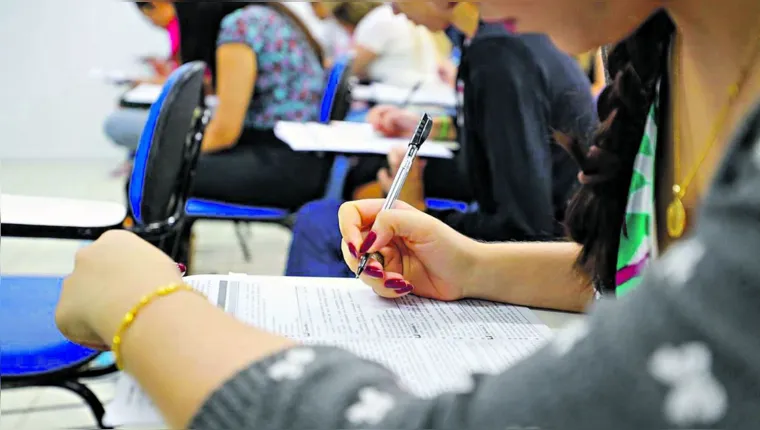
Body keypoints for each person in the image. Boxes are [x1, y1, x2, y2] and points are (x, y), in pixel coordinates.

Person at [56, 0, 760, 427]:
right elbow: (648, 278)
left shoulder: (514, 52)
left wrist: (144, 306)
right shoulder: (659, 55)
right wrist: (473, 263)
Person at [284, 1, 596, 276]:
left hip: (551, 255)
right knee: (356, 192)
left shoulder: (498, 55)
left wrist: (419, 213)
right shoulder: (499, 42)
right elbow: (505, 130)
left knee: (321, 224)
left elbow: (526, 230)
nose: (392, 9)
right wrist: (433, 129)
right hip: (557, 232)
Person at [172, 2, 331, 209]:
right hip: (302, 160)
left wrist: (165, 157)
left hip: (280, 164)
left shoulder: (238, 27)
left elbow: (224, 134)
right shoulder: (268, 15)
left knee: (151, 177)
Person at [104, 1, 180, 172]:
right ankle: (135, 162)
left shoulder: (180, 28)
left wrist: (143, 81)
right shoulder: (176, 30)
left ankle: (137, 163)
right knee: (127, 102)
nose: (152, 22)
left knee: (116, 121)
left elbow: (182, 78)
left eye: (150, 16)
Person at [332, 2, 444, 87]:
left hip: (400, 98)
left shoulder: (377, 20)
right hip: (428, 97)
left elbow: (349, 69)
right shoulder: (405, 17)